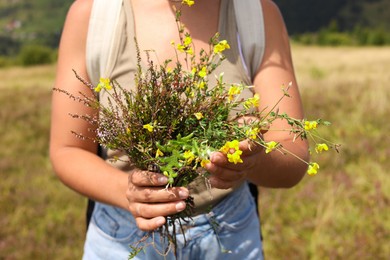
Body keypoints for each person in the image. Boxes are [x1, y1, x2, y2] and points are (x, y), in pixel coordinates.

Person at [50, 0, 309, 259]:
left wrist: (254, 159)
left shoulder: (256, 13)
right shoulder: (95, 14)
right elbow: (67, 150)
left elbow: (292, 153)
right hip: (122, 238)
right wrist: (129, 192)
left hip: (230, 235)